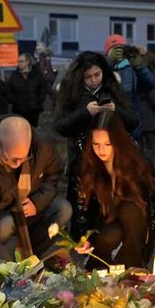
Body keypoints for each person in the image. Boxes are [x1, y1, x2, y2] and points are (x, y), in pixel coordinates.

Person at [0, 115, 70, 272]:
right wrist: (7, 268)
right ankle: (6, 266)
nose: (18, 164)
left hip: (26, 210)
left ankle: (29, 260)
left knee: (62, 209)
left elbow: (52, 177)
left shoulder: (42, 147)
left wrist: (37, 203)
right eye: (12, 159)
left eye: (24, 158)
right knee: (5, 231)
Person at [72, 111, 155, 269]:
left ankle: (132, 270)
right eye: (95, 144)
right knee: (111, 234)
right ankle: (98, 270)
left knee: (130, 209)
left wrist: (145, 251)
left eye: (107, 144)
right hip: (104, 227)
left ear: (118, 141)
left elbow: (153, 214)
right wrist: (81, 237)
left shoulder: (137, 166)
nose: (101, 150)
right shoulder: (85, 166)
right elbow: (81, 211)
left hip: (135, 227)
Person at [53, 51, 139, 204]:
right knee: (82, 206)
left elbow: (133, 122)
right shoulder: (71, 93)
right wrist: (85, 113)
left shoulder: (113, 89)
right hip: (81, 161)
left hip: (111, 162)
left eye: (97, 75)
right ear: (80, 76)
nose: (93, 80)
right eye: (88, 77)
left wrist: (116, 111)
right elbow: (60, 126)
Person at [104, 34, 155, 143]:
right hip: (109, 118)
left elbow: (151, 84)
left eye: (120, 49)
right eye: (114, 50)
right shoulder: (102, 67)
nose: (118, 53)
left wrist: (140, 67)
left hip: (132, 118)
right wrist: (109, 62)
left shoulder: (130, 67)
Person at [7, 52, 47, 128]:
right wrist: (13, 100)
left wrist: (39, 101)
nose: (19, 63)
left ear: (28, 62)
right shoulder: (14, 75)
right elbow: (9, 89)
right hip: (18, 109)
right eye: (18, 61)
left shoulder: (37, 74)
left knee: (32, 131)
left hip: (33, 110)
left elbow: (43, 88)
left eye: (21, 61)